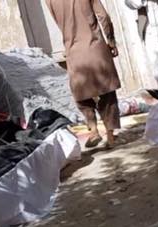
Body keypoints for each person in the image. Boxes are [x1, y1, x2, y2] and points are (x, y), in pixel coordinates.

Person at [45, 0, 122, 148]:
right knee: (107, 92)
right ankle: (110, 136)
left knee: (81, 95)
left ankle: (93, 130)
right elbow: (104, 16)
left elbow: (60, 23)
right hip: (96, 48)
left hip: (73, 51)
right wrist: (111, 40)